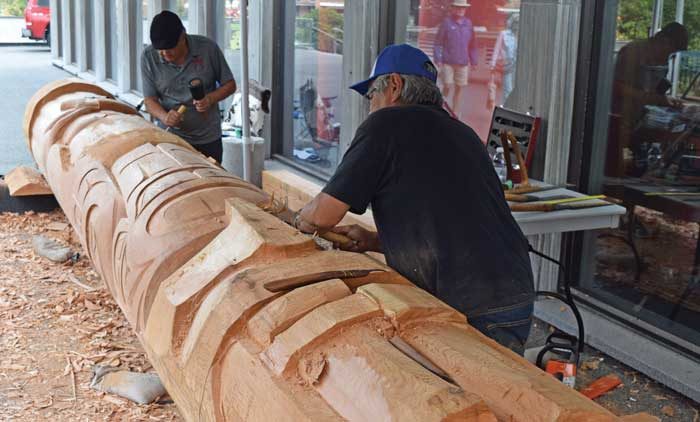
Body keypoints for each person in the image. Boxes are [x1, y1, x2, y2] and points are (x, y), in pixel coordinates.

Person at [292, 44, 535, 355]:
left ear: (394, 85)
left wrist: (296, 220)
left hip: (469, 303)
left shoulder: (385, 125)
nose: (371, 108)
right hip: (514, 295)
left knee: (451, 398)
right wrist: (373, 240)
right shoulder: (463, 134)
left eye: (372, 97)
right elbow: (449, 219)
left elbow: (322, 216)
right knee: (502, 397)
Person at [141, 10, 236, 163]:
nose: (165, 54)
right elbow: (149, 100)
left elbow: (230, 85)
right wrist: (165, 117)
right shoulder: (148, 56)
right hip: (171, 138)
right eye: (161, 50)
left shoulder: (207, 48)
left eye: (170, 48)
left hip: (208, 138)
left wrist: (210, 99)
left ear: (182, 36)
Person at [607, 22, 688, 177]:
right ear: (663, 40)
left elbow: (654, 91)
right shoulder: (633, 52)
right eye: (670, 51)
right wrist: (651, 98)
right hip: (618, 120)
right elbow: (617, 86)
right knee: (617, 168)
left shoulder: (662, 61)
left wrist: (665, 100)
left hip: (639, 122)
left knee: (639, 168)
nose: (668, 56)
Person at [433, 0, 479, 118]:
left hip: (463, 63)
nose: (460, 10)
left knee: (459, 88)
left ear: (465, 9)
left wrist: (474, 61)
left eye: (463, 8)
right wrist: (437, 58)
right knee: (447, 85)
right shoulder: (446, 23)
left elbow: (473, 44)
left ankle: (455, 114)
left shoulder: (468, 24)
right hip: (447, 62)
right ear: (453, 8)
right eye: (458, 7)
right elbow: (438, 42)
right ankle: (439, 105)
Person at [490, 14, 519, 104]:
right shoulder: (503, 34)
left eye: (518, 23)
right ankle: (507, 109)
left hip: (518, 67)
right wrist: (492, 64)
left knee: (516, 90)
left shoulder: (522, 35)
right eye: (515, 23)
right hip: (507, 66)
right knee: (508, 90)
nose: (517, 25)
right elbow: (497, 49)